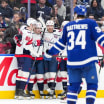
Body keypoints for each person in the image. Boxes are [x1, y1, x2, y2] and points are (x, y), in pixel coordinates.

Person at [45, 5, 104, 104]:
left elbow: (61, 44)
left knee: (73, 87)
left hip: (72, 62)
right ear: (84, 14)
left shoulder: (68, 26)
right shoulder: (90, 23)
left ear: (75, 14)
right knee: (92, 85)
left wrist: (50, 52)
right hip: (88, 60)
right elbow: (101, 39)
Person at [14, 18, 38, 99]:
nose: (35, 26)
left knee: (20, 73)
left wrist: (35, 43)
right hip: (25, 54)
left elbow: (18, 39)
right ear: (31, 24)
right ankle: (21, 92)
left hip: (19, 53)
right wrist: (35, 53)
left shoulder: (23, 29)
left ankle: (17, 92)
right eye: (34, 24)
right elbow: (27, 46)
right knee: (25, 73)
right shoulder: (28, 32)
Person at [43, 20, 61, 98]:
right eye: (48, 26)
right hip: (45, 55)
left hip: (54, 55)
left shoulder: (58, 33)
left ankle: (52, 91)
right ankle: (51, 90)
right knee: (47, 75)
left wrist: (59, 53)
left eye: (51, 26)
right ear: (46, 26)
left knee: (52, 74)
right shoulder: (43, 33)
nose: (50, 27)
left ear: (53, 26)